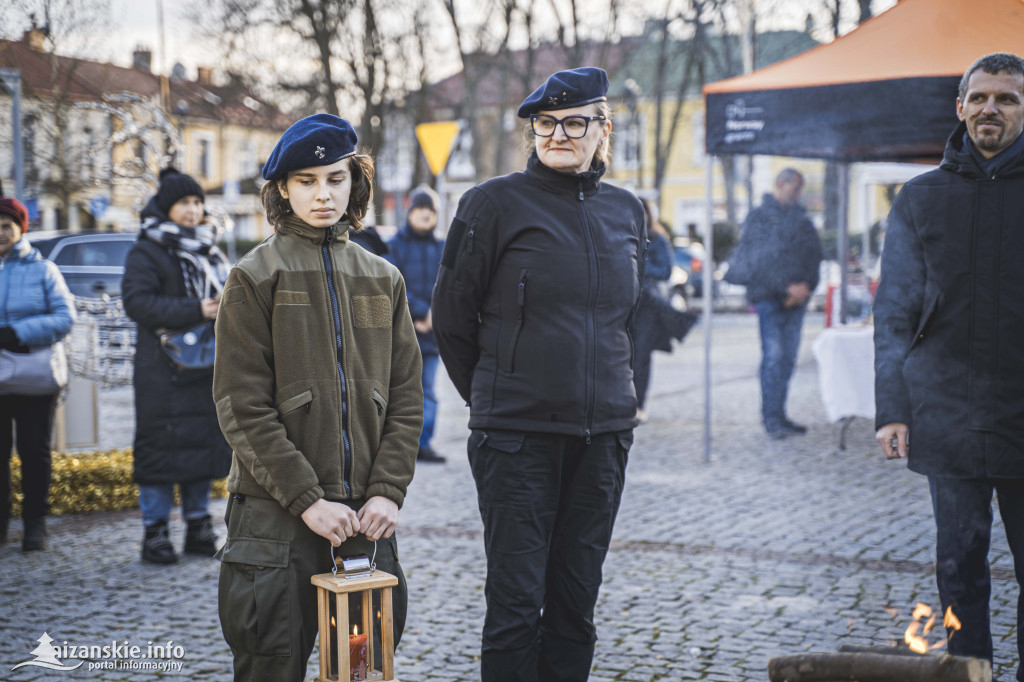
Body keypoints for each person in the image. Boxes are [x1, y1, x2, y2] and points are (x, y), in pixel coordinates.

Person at [432, 66, 646, 682]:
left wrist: (617, 395)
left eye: (573, 122)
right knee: (517, 604)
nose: (557, 134)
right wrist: (498, 395)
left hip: (603, 436)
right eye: (544, 124)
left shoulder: (627, 211)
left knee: (576, 605)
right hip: (516, 438)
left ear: (602, 128)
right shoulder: (492, 204)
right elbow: (452, 318)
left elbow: (628, 321)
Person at [212, 113, 422, 682]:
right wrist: (307, 499)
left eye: (335, 178)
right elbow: (240, 405)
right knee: (269, 664)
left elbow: (405, 397)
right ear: (282, 189)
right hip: (274, 518)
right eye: (306, 181)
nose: (323, 194)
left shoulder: (384, 277)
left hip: (363, 520)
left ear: (356, 180)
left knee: (362, 669)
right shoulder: (254, 276)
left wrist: (387, 491)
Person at [874, 52, 1024, 681]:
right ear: (959, 106)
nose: (992, 108)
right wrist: (891, 411)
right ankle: (972, 673)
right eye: (981, 97)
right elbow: (894, 310)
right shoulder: (920, 196)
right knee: (959, 565)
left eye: (1008, 98)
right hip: (948, 417)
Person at [122, 168, 232, 565]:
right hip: (161, 371)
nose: (193, 210)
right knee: (159, 450)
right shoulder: (147, 250)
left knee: (200, 447)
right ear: (167, 207)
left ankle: (199, 528)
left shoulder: (210, 249)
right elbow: (138, 303)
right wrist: (198, 309)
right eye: (184, 202)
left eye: (198, 202)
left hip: (205, 366)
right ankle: (155, 534)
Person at [725, 168, 823, 439]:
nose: (798, 193)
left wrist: (805, 287)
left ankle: (780, 415)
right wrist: (785, 287)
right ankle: (771, 419)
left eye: (800, 188)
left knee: (788, 359)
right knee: (774, 358)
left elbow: (814, 257)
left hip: (797, 301)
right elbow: (756, 262)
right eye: (795, 187)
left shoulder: (802, 220)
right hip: (769, 300)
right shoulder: (759, 217)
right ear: (781, 184)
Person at [0, 197, 75, 551]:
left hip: (34, 377)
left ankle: (34, 524)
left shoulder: (43, 269)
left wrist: (19, 333)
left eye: (6, 226)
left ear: (20, 229)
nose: (0, 233)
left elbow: (65, 318)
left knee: (34, 453)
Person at [385, 185, 446, 463]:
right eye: (420, 209)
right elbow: (389, 284)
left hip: (432, 335)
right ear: (410, 212)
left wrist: (435, 313)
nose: (425, 214)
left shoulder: (444, 247)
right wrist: (420, 313)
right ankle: (397, 446)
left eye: (430, 210)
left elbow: (450, 285)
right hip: (400, 333)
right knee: (396, 391)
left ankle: (424, 444)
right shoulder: (394, 246)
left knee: (429, 391)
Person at [632, 199, 697, 423]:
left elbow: (666, 271)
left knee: (641, 356)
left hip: (649, 305)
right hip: (626, 304)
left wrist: (638, 265)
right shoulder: (621, 236)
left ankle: (638, 406)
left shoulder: (657, 239)